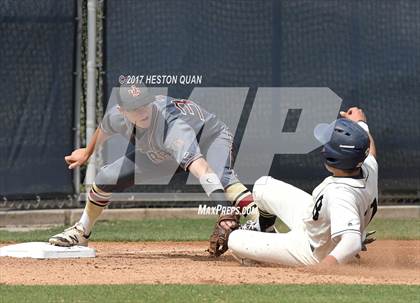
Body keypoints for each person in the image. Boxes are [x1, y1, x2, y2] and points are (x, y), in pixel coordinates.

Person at [49, 84, 256, 255]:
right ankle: (82, 231)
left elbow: (201, 169)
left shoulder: (172, 127)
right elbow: (104, 128)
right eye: (134, 107)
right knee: (106, 177)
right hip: (161, 152)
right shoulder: (117, 116)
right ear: (122, 111)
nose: (142, 110)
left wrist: (224, 210)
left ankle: (261, 222)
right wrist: (88, 151)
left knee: (221, 176)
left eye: (144, 104)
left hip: (210, 138)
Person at [228, 107, 378, 266]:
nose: (323, 148)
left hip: (313, 251)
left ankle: (262, 258)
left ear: (335, 157)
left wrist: (323, 269)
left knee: (235, 239)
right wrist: (360, 124)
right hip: (316, 224)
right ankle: (263, 227)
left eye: (327, 146)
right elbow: (369, 149)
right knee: (262, 186)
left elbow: (352, 242)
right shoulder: (366, 167)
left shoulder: (341, 195)